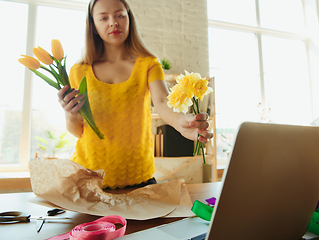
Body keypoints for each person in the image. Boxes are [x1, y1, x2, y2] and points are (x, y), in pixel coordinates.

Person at [57, 0, 213, 189]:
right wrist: (70, 114)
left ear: (129, 18)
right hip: (89, 180)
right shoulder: (79, 71)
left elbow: (163, 103)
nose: (113, 22)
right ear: (94, 27)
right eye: (104, 18)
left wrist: (182, 123)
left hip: (139, 178)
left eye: (120, 15)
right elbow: (77, 131)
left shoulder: (148, 63)